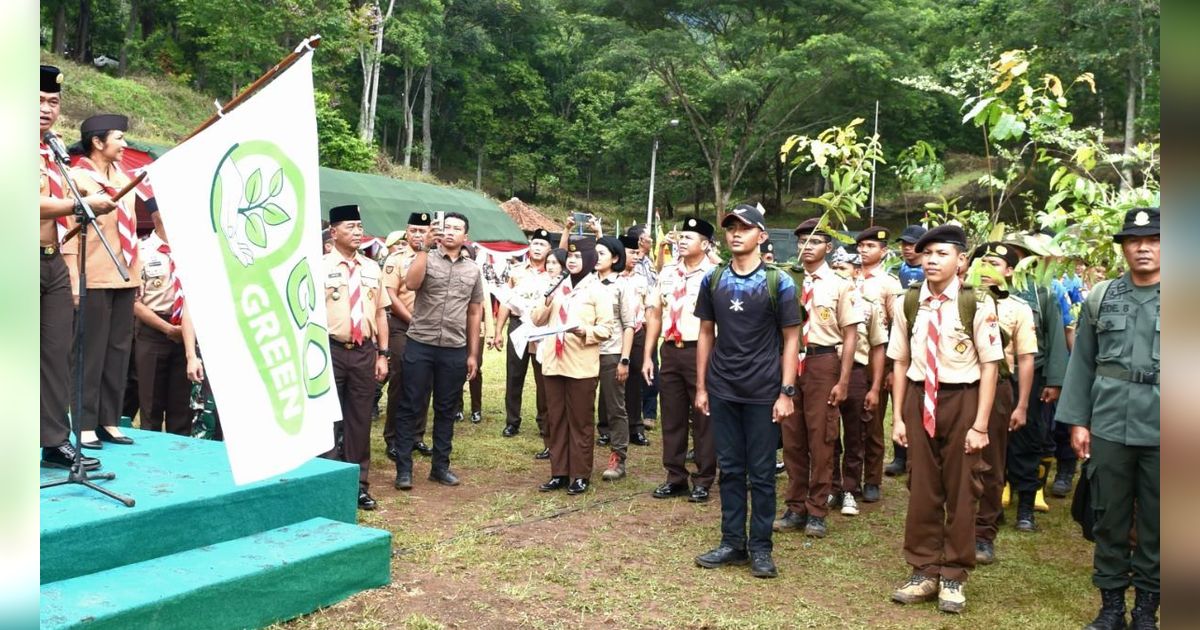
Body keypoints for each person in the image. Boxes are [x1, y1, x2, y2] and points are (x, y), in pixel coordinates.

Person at [887, 225, 1002, 614]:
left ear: (961, 260)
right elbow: (900, 361)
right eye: (927, 254)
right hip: (921, 398)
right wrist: (900, 418)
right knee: (922, 487)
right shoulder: (909, 301)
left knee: (962, 489)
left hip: (962, 398)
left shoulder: (978, 304)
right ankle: (923, 570)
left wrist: (981, 424)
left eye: (941, 253)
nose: (932, 260)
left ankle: (953, 574)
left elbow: (989, 368)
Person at [1057, 208, 1160, 630]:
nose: (1144, 247)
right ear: (1123, 248)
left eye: (1153, 240)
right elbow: (1082, 363)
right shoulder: (1103, 296)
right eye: (1135, 241)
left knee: (1160, 522)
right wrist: (1079, 422)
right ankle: (1112, 608)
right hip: (1110, 425)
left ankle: (1146, 612)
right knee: (1109, 517)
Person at [693, 204, 802, 579]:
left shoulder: (779, 282)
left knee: (762, 473)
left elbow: (792, 340)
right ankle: (732, 542)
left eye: (744, 227)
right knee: (731, 468)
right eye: (730, 228)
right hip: (723, 388)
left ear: (762, 234)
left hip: (763, 390)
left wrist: (786, 391)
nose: (736, 233)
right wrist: (703, 386)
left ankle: (760, 547)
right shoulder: (713, 280)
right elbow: (706, 333)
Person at [39, 65, 110, 470]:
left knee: (56, 354)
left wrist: (85, 189)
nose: (46, 109)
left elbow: (65, 190)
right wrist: (79, 204)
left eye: (53, 102)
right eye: (38, 101)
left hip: (52, 263)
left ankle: (53, 441)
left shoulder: (52, 150)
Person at [773, 218, 860, 539]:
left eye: (814, 241)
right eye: (801, 242)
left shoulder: (840, 285)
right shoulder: (787, 281)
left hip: (823, 361)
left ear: (829, 247)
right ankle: (795, 505)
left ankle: (818, 508)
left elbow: (850, 335)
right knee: (792, 436)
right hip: (791, 361)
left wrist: (844, 379)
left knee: (822, 437)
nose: (806, 247)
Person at [63, 113, 142, 449]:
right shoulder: (77, 178)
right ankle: (83, 423)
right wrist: (73, 280)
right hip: (92, 274)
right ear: (97, 142)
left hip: (124, 275)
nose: (124, 144)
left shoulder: (125, 178)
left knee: (118, 350)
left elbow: (132, 228)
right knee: (89, 352)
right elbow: (67, 230)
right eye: (119, 138)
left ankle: (109, 419)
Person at [393, 212, 484, 490]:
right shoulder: (425, 258)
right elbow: (411, 284)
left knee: (446, 409)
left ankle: (440, 467)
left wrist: (472, 354)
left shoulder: (473, 270)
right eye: (447, 227)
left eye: (457, 228)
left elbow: (474, 311)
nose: (451, 232)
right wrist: (424, 248)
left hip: (454, 348)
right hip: (421, 342)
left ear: (465, 237)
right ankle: (404, 469)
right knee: (411, 405)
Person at [968, 243, 1038, 565]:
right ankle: (957, 525)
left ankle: (984, 532)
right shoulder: (960, 298)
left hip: (997, 391)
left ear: (1009, 271)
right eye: (981, 262)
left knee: (992, 464)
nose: (986, 269)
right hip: (960, 388)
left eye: (994, 263)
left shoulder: (1018, 309)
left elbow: (1024, 359)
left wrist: (1022, 404)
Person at [642, 218, 718, 503]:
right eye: (681, 236)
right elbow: (655, 314)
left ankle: (704, 478)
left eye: (690, 237)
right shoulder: (668, 273)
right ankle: (675, 477)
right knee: (672, 415)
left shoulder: (715, 274)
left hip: (702, 349)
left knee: (703, 416)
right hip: (671, 350)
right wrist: (649, 354)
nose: (682, 241)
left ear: (706, 244)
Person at [321, 205, 390, 510]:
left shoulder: (372, 268)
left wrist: (383, 354)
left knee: (359, 419)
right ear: (334, 232)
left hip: (364, 352)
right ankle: (326, 482)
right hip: (330, 350)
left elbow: (380, 313)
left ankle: (358, 484)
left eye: (360, 226)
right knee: (328, 420)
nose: (358, 231)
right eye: (350, 226)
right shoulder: (317, 266)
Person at [532, 237, 612, 494]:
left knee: (580, 421)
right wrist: (547, 299)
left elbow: (606, 329)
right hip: (554, 363)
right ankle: (559, 472)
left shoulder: (597, 290)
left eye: (578, 257)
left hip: (580, 365)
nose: (573, 261)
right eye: (571, 257)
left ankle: (580, 474)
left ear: (589, 260)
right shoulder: (557, 286)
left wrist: (583, 330)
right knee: (556, 419)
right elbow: (536, 319)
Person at [1001, 238, 1070, 530]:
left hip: (1033, 375)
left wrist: (1055, 381)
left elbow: (1055, 337)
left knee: (1029, 440)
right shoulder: (984, 292)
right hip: (996, 375)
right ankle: (994, 497)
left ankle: (1026, 506)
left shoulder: (1041, 293)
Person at [828, 247, 887, 516]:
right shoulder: (823, 298)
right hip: (826, 370)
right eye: (836, 268)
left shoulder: (869, 305)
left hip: (856, 374)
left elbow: (877, 347)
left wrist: (874, 386)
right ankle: (831, 486)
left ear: (856, 271)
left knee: (855, 434)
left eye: (845, 268)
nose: (840, 273)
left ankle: (850, 488)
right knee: (827, 434)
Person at [855, 226, 903, 501]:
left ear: (883, 252)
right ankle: (847, 477)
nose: (863, 250)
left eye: (870, 246)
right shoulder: (845, 275)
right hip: (849, 356)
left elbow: (897, 326)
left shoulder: (888, 283)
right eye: (861, 246)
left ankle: (871, 479)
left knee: (871, 422)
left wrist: (892, 368)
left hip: (876, 359)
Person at [494, 228, 554, 441]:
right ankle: (512, 421)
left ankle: (544, 421)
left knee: (544, 377)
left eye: (542, 245)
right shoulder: (517, 271)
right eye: (535, 243)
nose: (538, 248)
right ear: (530, 246)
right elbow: (506, 303)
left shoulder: (553, 272)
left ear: (549, 250)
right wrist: (498, 331)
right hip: (518, 326)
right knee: (514, 375)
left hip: (541, 328)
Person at [382, 213, 433, 459]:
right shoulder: (395, 259)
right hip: (402, 326)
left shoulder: (435, 258)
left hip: (430, 329)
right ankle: (392, 437)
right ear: (406, 232)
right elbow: (390, 295)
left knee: (424, 382)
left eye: (423, 231)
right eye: (413, 230)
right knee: (401, 380)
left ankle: (416, 435)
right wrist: (412, 320)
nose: (418, 235)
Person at [132, 222, 192, 435]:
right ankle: (150, 460)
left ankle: (182, 459)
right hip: (153, 330)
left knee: (183, 407)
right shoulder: (141, 250)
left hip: (188, 332)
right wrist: (167, 329)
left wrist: (184, 331)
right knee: (151, 405)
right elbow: (134, 302)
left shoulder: (191, 248)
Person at [593, 236, 638, 480]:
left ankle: (618, 458)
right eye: (595, 253)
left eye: (601, 253)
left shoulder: (622, 285)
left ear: (615, 258)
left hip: (611, 353)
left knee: (615, 408)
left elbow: (629, 325)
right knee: (583, 406)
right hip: (585, 353)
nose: (596, 257)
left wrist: (624, 359)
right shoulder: (587, 283)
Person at [886, 224, 927, 476]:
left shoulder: (932, 273)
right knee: (899, 400)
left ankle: (918, 453)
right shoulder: (892, 273)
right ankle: (900, 454)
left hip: (923, 345)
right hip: (898, 341)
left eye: (912, 244)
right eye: (903, 244)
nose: (907, 249)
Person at [618, 233, 652, 448]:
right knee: (612, 380)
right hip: (616, 333)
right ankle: (606, 428)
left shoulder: (641, 279)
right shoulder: (611, 278)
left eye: (637, 254)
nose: (636, 257)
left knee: (634, 381)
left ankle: (635, 428)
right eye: (632, 253)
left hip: (638, 331)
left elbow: (649, 307)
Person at [457, 243, 495, 423]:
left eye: (468, 256)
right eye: (461, 256)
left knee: (475, 368)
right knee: (455, 369)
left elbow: (486, 308)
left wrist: (490, 334)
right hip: (455, 330)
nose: (464, 259)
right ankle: (457, 407)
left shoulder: (478, 277)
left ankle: (476, 408)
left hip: (475, 331)